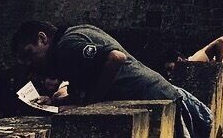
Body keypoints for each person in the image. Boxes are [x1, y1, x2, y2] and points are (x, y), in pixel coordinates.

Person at [12, 21, 212, 138]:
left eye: (30, 54)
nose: (31, 64)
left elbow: (115, 58)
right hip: (163, 96)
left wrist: (91, 106)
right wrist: (58, 101)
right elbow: (90, 81)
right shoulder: (72, 41)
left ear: (42, 38)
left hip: (155, 98)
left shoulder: (66, 46)